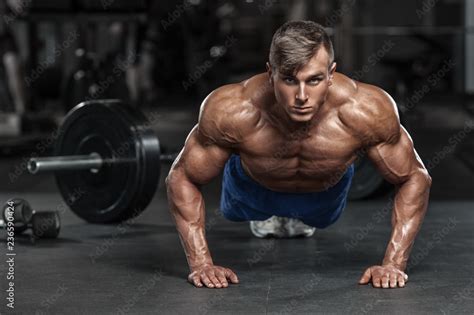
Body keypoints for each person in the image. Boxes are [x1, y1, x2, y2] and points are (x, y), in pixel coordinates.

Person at [166, 20, 432, 290]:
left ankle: (291, 216)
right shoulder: (231, 109)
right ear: (271, 74)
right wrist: (201, 264)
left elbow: (415, 177)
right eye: (290, 80)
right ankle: (270, 213)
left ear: (331, 73)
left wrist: (393, 264)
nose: (302, 96)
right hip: (251, 189)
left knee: (319, 217)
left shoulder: (366, 110)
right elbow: (181, 177)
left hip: (323, 196)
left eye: (314, 80)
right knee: (235, 210)